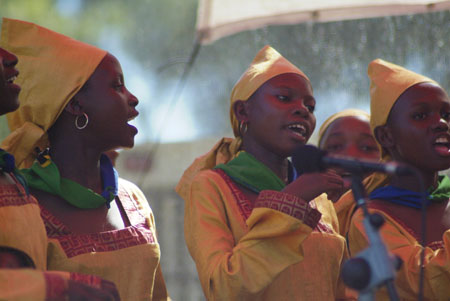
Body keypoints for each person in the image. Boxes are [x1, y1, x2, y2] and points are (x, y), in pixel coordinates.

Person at [1, 18, 169, 300]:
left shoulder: (133, 200)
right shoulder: (23, 198)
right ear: (76, 105)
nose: (134, 99)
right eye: (117, 86)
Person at [176, 45, 352, 300]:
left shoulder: (321, 199)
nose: (303, 110)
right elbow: (224, 288)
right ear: (243, 112)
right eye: (284, 98)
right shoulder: (211, 186)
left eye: (310, 107)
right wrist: (289, 203)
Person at [0, 45, 120, 300]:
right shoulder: (36, 194)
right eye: (117, 86)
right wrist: (61, 287)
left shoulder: (12, 179)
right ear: (75, 105)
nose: (10, 57)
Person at [341, 58, 450, 299]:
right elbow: (423, 282)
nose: (441, 123)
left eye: (446, 114)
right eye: (421, 116)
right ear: (387, 136)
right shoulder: (370, 218)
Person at [318, 109, 380, 235]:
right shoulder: (300, 218)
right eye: (336, 147)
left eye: (367, 147)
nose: (350, 156)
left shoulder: (399, 214)